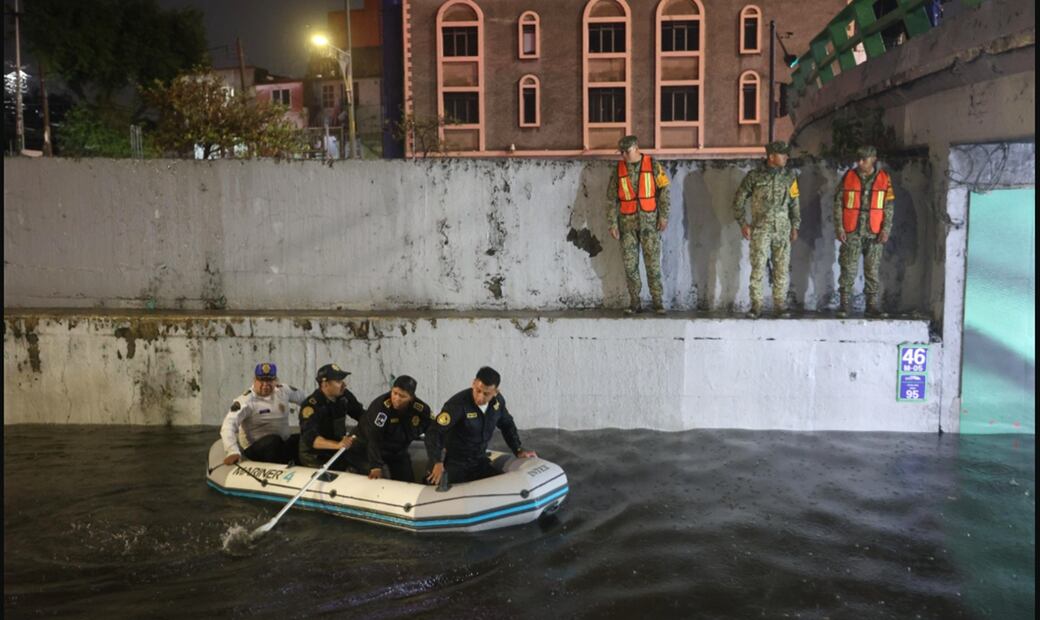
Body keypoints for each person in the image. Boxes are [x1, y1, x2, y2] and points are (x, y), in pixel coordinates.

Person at [424, 366, 537, 486]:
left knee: (505, 486)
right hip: (455, 462)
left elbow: (507, 424)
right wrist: (437, 461)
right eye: (478, 390)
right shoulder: (457, 404)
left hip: (479, 461)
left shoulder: (498, 403)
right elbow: (434, 432)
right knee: (441, 489)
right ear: (473, 383)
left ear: (495, 392)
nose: (480, 397)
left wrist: (518, 449)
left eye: (486, 394)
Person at [732, 140, 801, 318]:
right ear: (771, 157)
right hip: (761, 229)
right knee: (758, 268)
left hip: (783, 230)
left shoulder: (790, 176)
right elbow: (738, 200)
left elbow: (794, 203)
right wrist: (743, 223)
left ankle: (780, 306)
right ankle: (756, 306)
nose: (786, 157)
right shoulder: (754, 176)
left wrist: (795, 226)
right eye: (782, 154)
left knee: (782, 268)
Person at [607, 135, 671, 315]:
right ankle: (635, 303)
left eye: (626, 152)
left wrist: (664, 216)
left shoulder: (653, 165)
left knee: (653, 265)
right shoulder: (618, 170)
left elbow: (664, 190)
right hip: (627, 226)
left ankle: (658, 302)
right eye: (621, 152)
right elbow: (611, 199)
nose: (623, 156)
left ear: (636, 148)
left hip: (650, 224)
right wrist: (612, 224)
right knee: (630, 266)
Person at [835, 145, 894, 318]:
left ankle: (871, 306)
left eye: (864, 159)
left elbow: (889, 206)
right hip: (852, 231)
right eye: (858, 159)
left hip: (874, 232)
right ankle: (844, 305)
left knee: (872, 270)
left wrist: (885, 229)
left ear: (873, 159)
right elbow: (838, 204)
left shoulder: (884, 179)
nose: (860, 162)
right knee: (848, 268)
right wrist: (839, 228)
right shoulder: (848, 177)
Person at [220, 362, 306, 466]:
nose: (265, 385)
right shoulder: (245, 401)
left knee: (304, 439)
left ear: (276, 381)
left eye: (269, 380)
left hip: (282, 444)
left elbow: (306, 400)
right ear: (254, 380)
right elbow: (228, 425)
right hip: (256, 449)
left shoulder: (284, 390)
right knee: (273, 441)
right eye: (261, 380)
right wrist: (232, 451)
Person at [357, 375, 431, 482]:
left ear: (411, 398)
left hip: (398, 452)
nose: (397, 398)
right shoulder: (381, 408)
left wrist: (436, 459)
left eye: (402, 396)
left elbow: (432, 430)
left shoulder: (420, 409)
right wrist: (375, 466)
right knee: (381, 480)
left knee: (407, 482)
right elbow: (373, 437)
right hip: (373, 451)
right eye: (395, 393)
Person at [298, 363, 368, 472]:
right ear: (325, 384)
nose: (344, 385)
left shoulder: (344, 396)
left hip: (339, 449)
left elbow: (361, 415)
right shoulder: (311, 406)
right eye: (338, 381)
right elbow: (312, 439)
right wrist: (338, 445)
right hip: (315, 455)